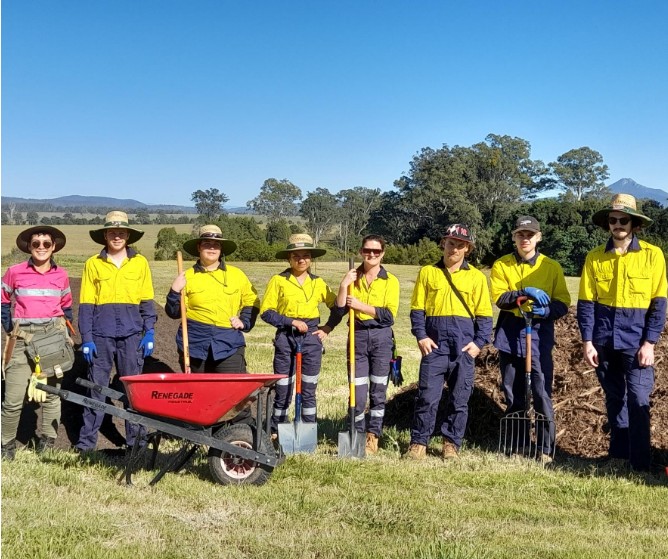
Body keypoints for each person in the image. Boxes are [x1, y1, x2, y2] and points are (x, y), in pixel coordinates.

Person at [577, 194, 666, 472]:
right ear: (608, 224)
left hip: (637, 340)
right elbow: (586, 304)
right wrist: (587, 342)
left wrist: (649, 343)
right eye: (613, 220)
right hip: (603, 341)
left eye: (623, 220)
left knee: (638, 397)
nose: (618, 224)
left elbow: (659, 304)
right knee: (615, 398)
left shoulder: (653, 256)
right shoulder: (594, 257)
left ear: (635, 224)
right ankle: (618, 456)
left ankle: (640, 463)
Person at [405, 224, 492, 460]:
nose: (454, 248)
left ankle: (451, 443)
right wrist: (421, 336)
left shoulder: (476, 277)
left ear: (468, 249)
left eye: (460, 245)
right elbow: (417, 310)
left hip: (463, 345)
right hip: (435, 344)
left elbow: (485, 316)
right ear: (443, 243)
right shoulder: (427, 273)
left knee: (459, 398)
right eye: (450, 243)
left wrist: (478, 344)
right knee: (426, 395)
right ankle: (418, 442)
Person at [490, 216, 570, 462]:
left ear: (539, 237)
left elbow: (563, 302)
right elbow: (499, 298)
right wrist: (523, 293)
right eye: (521, 235)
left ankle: (546, 448)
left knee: (541, 392)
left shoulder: (551, 266)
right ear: (514, 237)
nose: (525, 239)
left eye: (530, 235)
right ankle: (520, 444)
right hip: (510, 333)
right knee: (514, 392)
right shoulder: (502, 265)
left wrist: (546, 311)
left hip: (539, 334)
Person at [75, 211, 157, 453]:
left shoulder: (140, 263)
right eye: (112, 232)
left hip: (132, 335)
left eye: (122, 232)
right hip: (101, 335)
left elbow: (147, 301)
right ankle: (86, 445)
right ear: (105, 235)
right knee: (96, 389)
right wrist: (87, 339)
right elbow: (86, 305)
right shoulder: (93, 264)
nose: (117, 236)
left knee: (133, 392)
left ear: (128, 235)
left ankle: (136, 444)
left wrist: (149, 332)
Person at [1, 226, 73, 459]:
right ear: (29, 247)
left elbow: (67, 307)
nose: (41, 248)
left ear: (53, 247)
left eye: (46, 244)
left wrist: (65, 335)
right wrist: (10, 329)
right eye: (36, 244)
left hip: (52, 338)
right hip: (21, 341)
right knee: (12, 399)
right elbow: (3, 301)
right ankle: (6, 446)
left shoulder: (61, 275)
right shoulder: (14, 271)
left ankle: (47, 443)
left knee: (52, 394)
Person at [260, 233, 341, 436]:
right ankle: (276, 429)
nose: (301, 260)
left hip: (312, 338)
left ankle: (307, 430)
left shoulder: (319, 283)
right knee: (283, 387)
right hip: (286, 337)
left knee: (308, 388)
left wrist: (328, 328)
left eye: (305, 255)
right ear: (289, 258)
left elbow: (338, 307)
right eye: (296, 256)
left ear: (311, 259)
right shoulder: (278, 280)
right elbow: (266, 312)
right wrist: (291, 322)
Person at [335, 234, 400, 454]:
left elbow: (389, 316)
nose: (371, 255)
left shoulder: (390, 281)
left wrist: (362, 306)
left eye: (376, 252)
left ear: (383, 253)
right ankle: (357, 433)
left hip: (381, 338)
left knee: (378, 390)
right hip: (358, 335)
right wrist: (344, 285)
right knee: (357, 391)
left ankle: (374, 435)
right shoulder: (352, 277)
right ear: (361, 251)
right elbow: (340, 307)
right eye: (366, 251)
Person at [166, 224, 259, 374]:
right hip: (194, 341)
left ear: (221, 249)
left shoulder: (237, 275)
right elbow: (174, 312)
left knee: (231, 392)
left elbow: (252, 300)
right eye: (207, 244)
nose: (212, 248)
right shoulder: (187, 276)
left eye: (216, 244)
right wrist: (175, 291)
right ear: (199, 247)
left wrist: (244, 321)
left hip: (228, 341)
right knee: (199, 393)